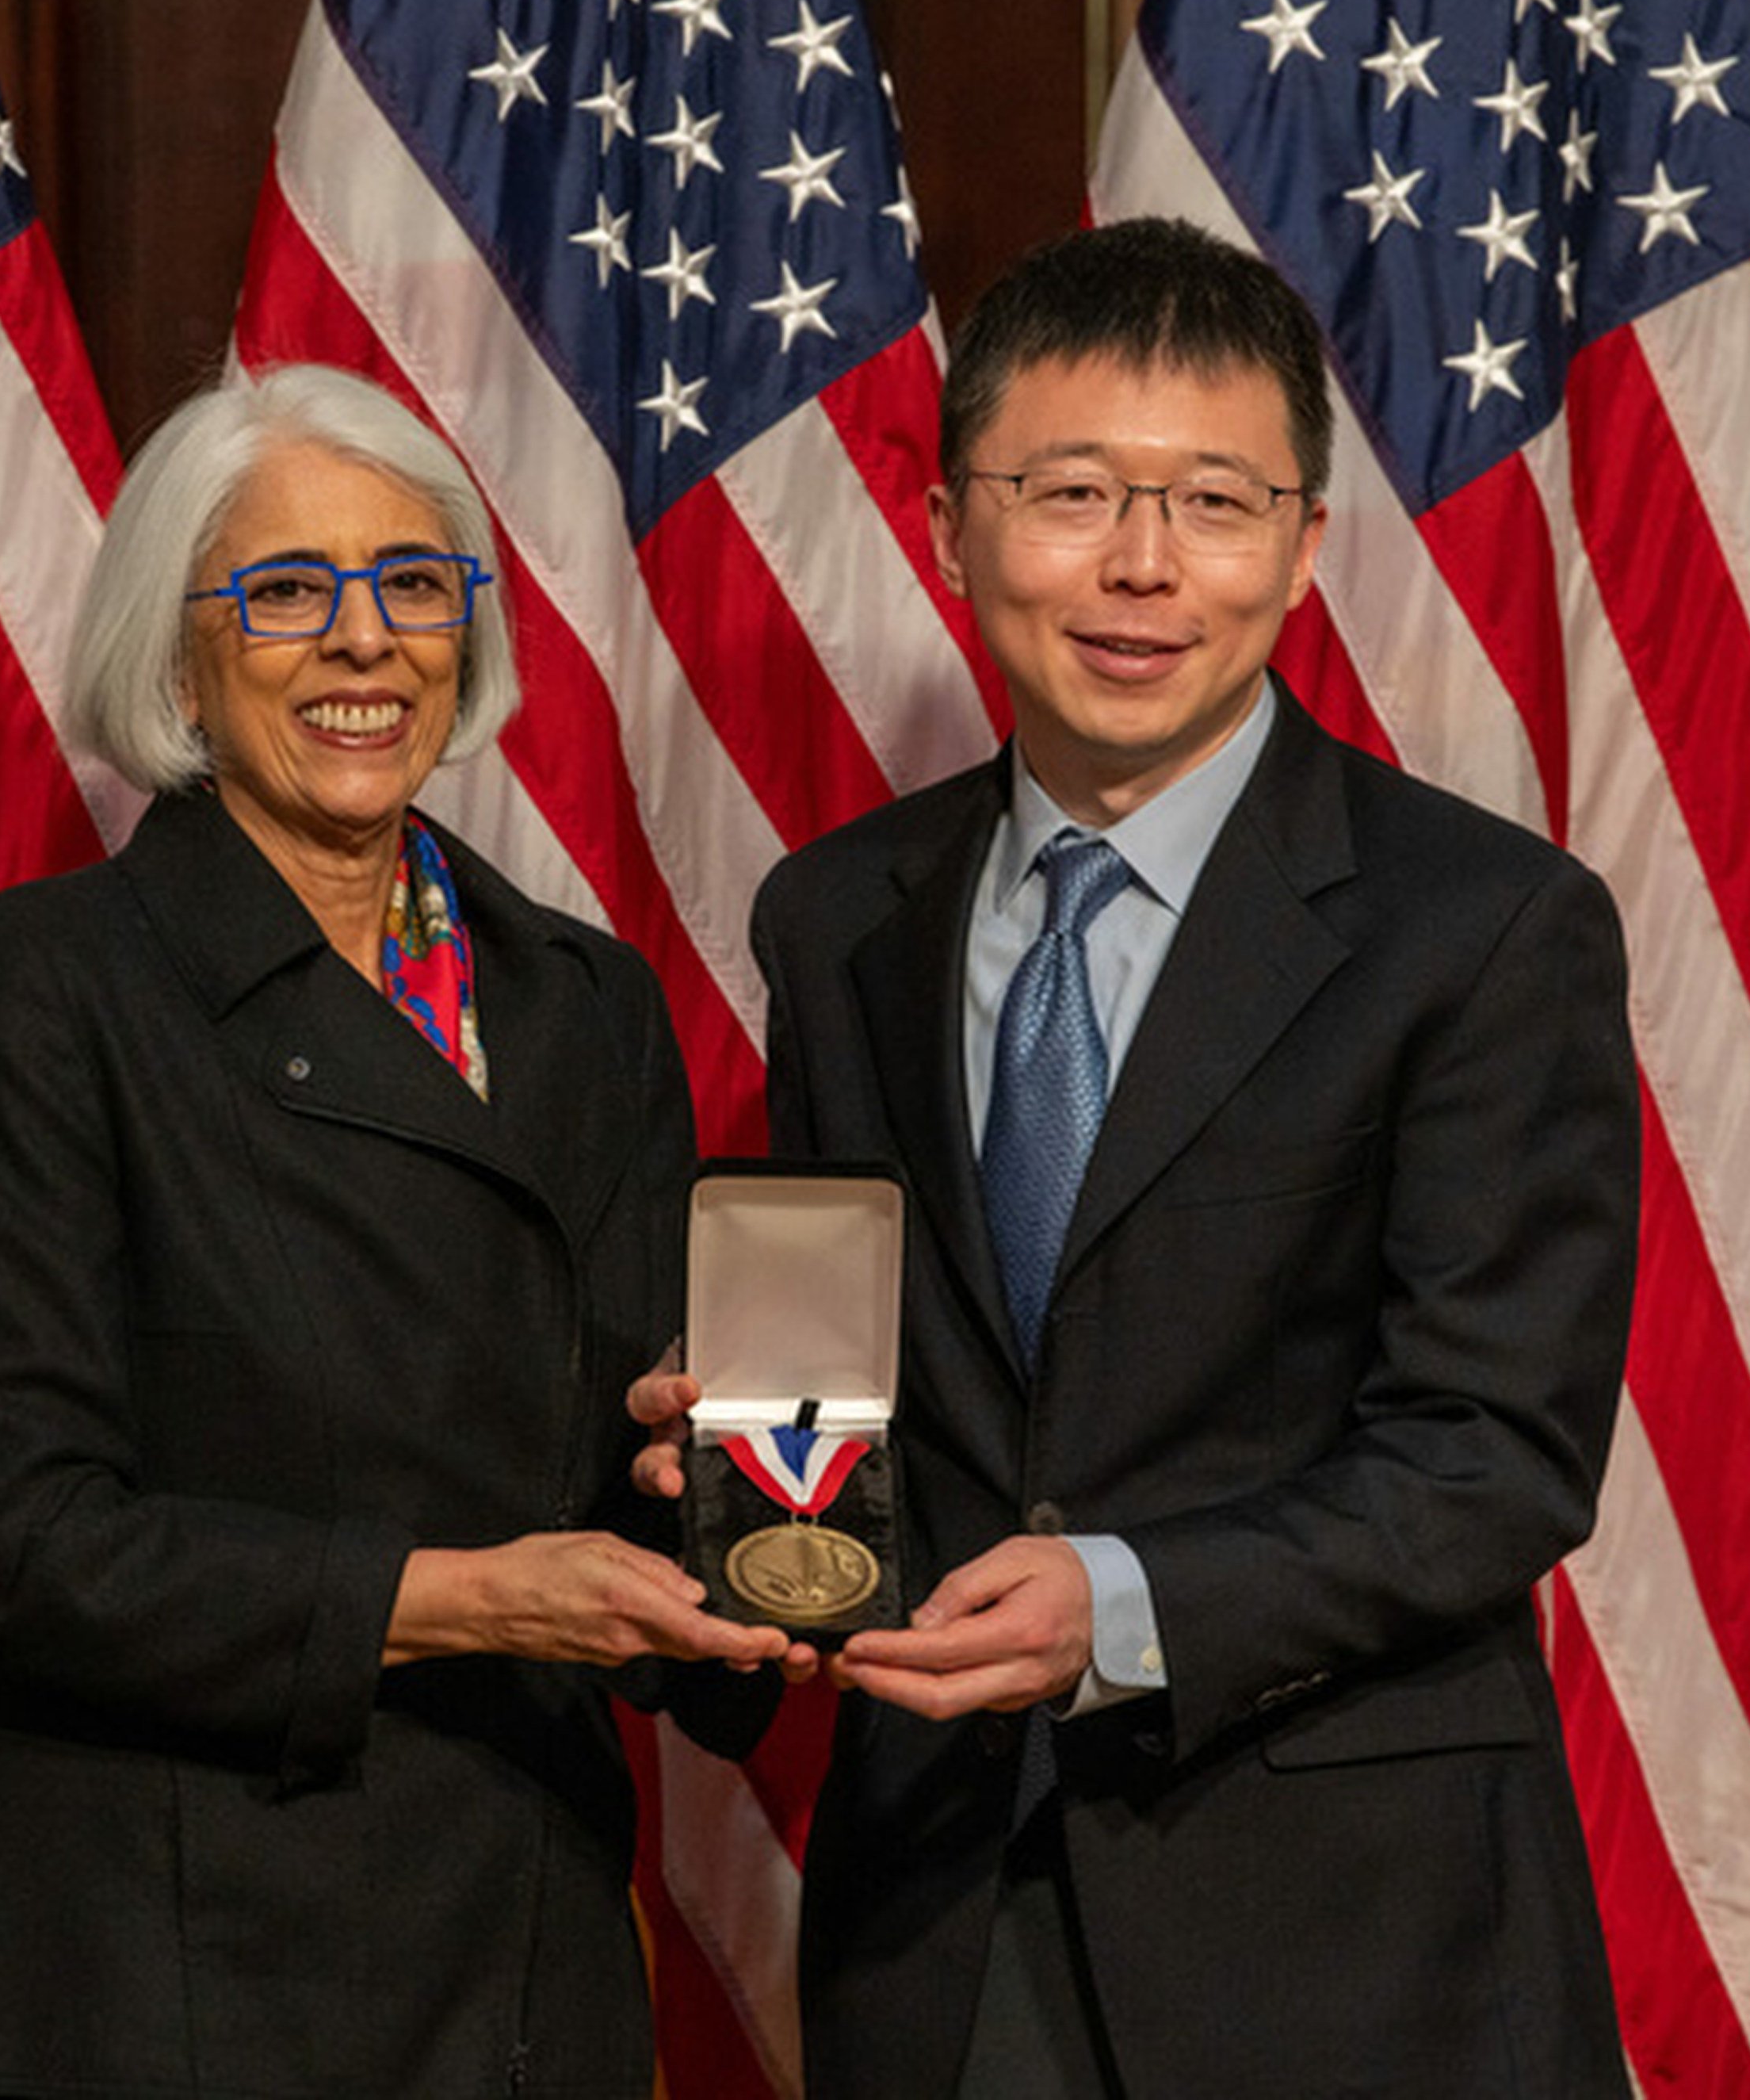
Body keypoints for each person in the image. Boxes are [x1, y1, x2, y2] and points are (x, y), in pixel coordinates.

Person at [643, 217, 1641, 2096]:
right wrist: (729, 1483)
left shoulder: (1480, 928)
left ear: (1302, 547)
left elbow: (1491, 1452)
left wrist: (1115, 1603)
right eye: (1073, 491)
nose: (1141, 566)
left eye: (1212, 501)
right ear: (951, 525)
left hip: (1348, 1938)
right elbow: (857, 1385)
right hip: (940, 1920)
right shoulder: (836, 916)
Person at [0, 362, 796, 2100]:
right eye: (286, 592)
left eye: (414, 584)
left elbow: (630, 1455)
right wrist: (470, 1600)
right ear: (177, 657)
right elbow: (20, 1542)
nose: (363, 642)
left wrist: (736, 1497)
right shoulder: (34, 993)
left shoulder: (586, 1008)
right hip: (140, 1980)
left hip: (507, 1961)